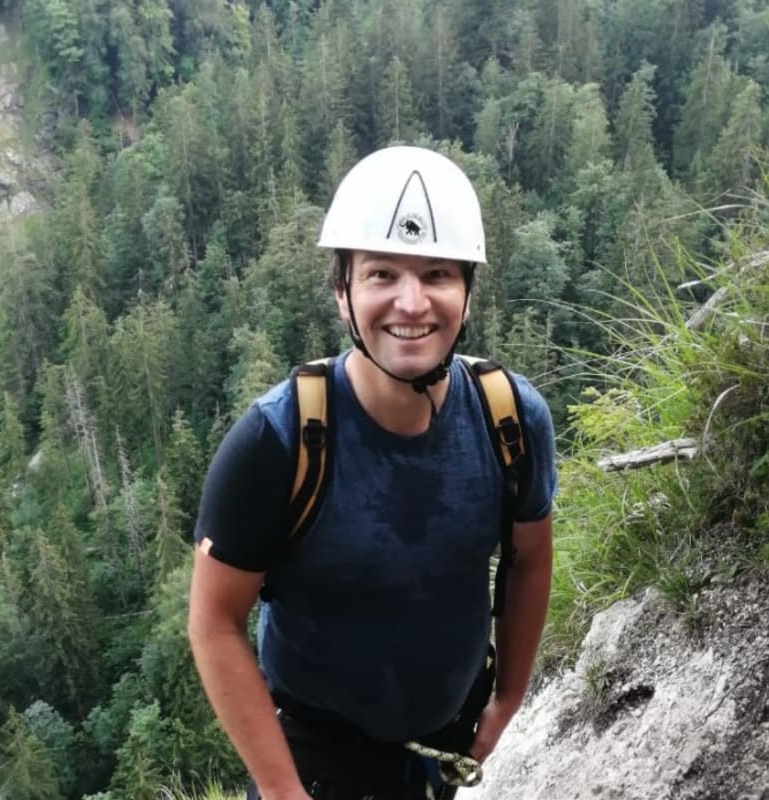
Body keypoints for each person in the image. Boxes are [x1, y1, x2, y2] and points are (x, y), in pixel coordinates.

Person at [188, 145, 557, 800]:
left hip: (447, 736)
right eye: (382, 274)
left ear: (466, 294)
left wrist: (507, 701)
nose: (412, 303)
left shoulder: (510, 421)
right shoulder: (279, 443)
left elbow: (530, 560)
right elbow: (215, 621)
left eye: (437, 273)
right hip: (314, 757)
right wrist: (283, 792)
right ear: (342, 294)